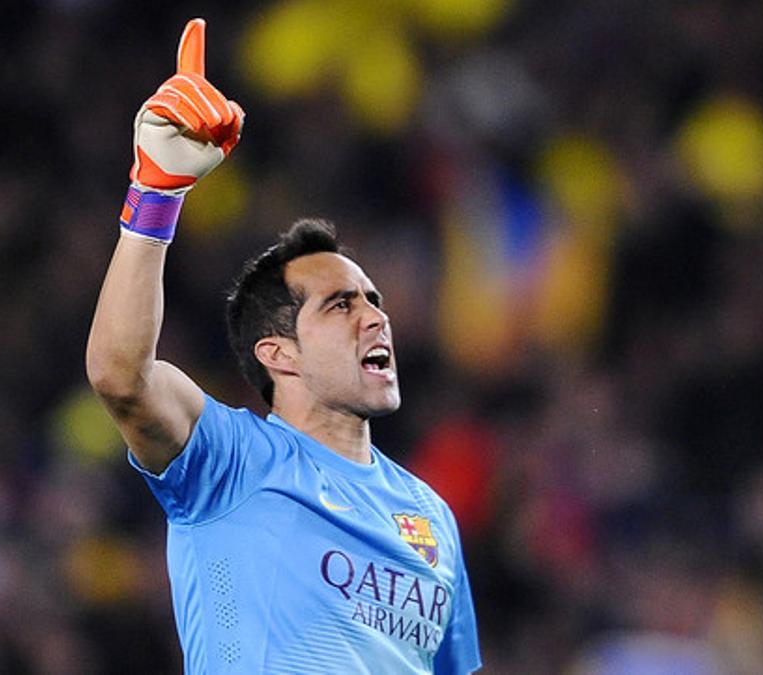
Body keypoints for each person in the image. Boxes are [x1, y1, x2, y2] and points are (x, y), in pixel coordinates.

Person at [86, 18, 481, 674]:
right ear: (280, 353)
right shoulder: (231, 461)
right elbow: (120, 374)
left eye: (376, 302)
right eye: (341, 305)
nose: (375, 319)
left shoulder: (431, 514)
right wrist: (155, 194)